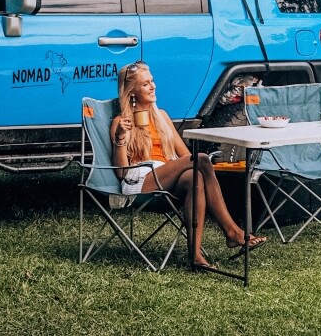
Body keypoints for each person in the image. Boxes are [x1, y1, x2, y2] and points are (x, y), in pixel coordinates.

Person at [110, 61, 266, 268]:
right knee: (200, 159)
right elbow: (121, 172)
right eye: (146, 84)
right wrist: (121, 137)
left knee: (196, 177)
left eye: (152, 81)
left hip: (166, 175)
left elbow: (184, 155)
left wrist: (181, 164)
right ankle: (232, 231)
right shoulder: (121, 122)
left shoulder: (162, 117)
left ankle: (196, 256)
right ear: (132, 92)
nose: (153, 86)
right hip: (140, 180)